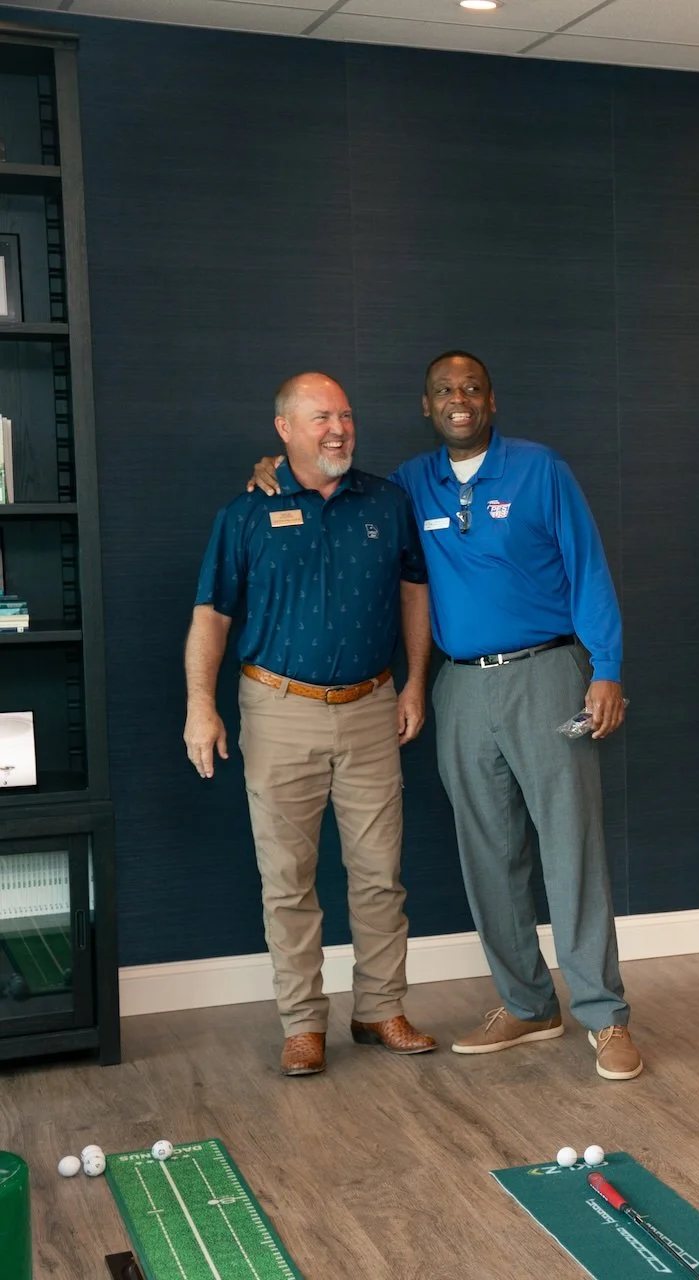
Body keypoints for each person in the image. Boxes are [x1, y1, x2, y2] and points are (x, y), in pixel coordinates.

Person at [250, 351, 640, 1082]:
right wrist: (272, 467)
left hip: (550, 674)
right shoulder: (407, 485)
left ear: (492, 399)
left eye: (470, 388)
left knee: (569, 849)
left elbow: (589, 568)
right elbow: (333, 486)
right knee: (488, 853)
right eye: (443, 392)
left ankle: (603, 1014)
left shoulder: (539, 469)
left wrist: (607, 668)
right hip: (460, 688)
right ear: (425, 406)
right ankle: (527, 1003)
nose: (458, 400)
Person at [185, 372, 436, 1077]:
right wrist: (200, 705)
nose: (338, 428)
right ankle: (302, 1023)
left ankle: (380, 1009)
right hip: (277, 712)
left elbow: (415, 590)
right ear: (283, 430)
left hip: (371, 709)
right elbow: (212, 615)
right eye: (321, 416)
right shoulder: (246, 512)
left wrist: (416, 681)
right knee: (288, 880)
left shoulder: (387, 503)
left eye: (347, 416)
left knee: (380, 876)